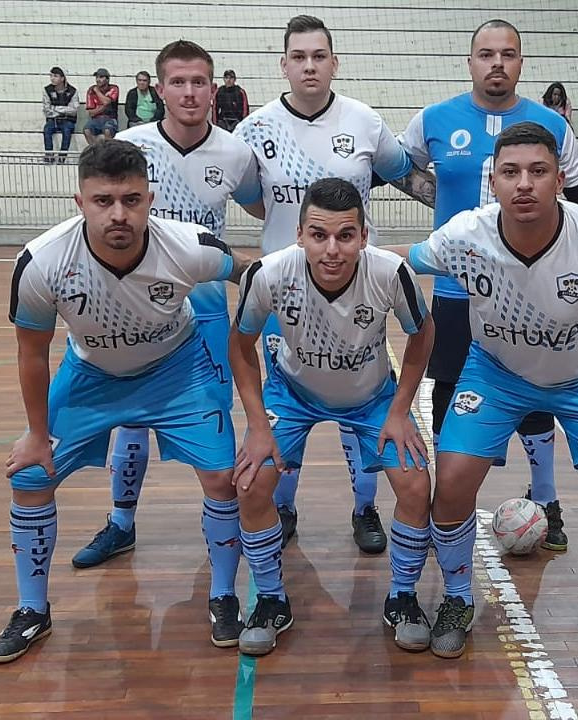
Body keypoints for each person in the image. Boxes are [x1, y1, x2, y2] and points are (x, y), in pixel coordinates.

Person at [384, 121, 578, 664]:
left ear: (560, 179)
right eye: (511, 173)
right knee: (455, 479)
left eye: (538, 171)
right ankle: (459, 600)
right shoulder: (466, 235)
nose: (525, 184)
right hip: (495, 374)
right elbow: (403, 261)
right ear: (494, 183)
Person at [0, 140, 252, 663]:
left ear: (150, 199)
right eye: (103, 200)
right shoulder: (41, 262)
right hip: (91, 374)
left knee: (223, 477)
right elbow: (33, 354)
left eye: (131, 200)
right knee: (30, 478)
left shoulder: (188, 246)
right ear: (79, 201)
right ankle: (32, 610)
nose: (118, 214)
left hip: (178, 371)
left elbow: (253, 274)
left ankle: (223, 596)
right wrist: (37, 435)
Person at [397, 19, 578, 553]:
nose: (497, 63)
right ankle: (450, 501)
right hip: (456, 289)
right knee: (449, 387)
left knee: (533, 392)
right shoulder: (434, 119)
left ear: (521, 63)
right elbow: (398, 168)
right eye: (486, 54)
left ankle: (548, 501)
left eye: (508, 54)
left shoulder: (551, 126)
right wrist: (437, 198)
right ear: (469, 62)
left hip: (532, 290)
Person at [71, 41, 263, 602]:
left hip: (203, 309)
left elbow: (264, 204)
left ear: (213, 89)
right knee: (130, 419)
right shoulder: (129, 146)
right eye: (177, 82)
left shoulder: (235, 153)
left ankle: (224, 542)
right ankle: (122, 522)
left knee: (212, 428)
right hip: (135, 303)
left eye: (198, 82)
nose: (189, 92)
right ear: (158, 89)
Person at [234, 14, 425, 554]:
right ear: (284, 64)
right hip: (284, 293)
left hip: (357, 286)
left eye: (320, 56)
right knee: (292, 399)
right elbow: (253, 199)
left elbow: (403, 175)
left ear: (334, 63)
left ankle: (364, 510)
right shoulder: (257, 129)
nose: (310, 66)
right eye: (299, 57)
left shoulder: (364, 121)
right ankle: (284, 506)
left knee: (354, 393)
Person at [230, 178, 438, 657]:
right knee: (251, 482)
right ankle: (270, 600)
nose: (332, 249)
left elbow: (422, 334)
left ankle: (403, 598)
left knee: (413, 484)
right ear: (299, 234)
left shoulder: (390, 273)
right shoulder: (268, 273)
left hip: (371, 397)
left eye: (345, 235)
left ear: (364, 237)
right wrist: (259, 427)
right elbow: (240, 347)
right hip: (292, 392)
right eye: (319, 235)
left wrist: (401, 408)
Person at [42, 66, 79, 163]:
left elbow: (74, 110)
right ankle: (49, 155)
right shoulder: (47, 90)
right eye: (51, 76)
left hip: (67, 120)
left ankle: (62, 157)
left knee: (67, 131)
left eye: (55, 76)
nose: (52, 78)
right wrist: (64, 110)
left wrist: (56, 108)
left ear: (62, 78)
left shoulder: (72, 91)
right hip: (52, 120)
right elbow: (46, 110)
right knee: (47, 130)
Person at [84, 68, 120, 143]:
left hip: (110, 118)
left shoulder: (114, 88)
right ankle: (94, 151)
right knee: (87, 130)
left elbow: (106, 101)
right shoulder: (91, 90)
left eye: (101, 77)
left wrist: (97, 91)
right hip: (95, 119)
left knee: (107, 130)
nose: (97, 80)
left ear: (107, 79)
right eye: (97, 77)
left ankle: (108, 152)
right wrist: (103, 107)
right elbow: (91, 112)